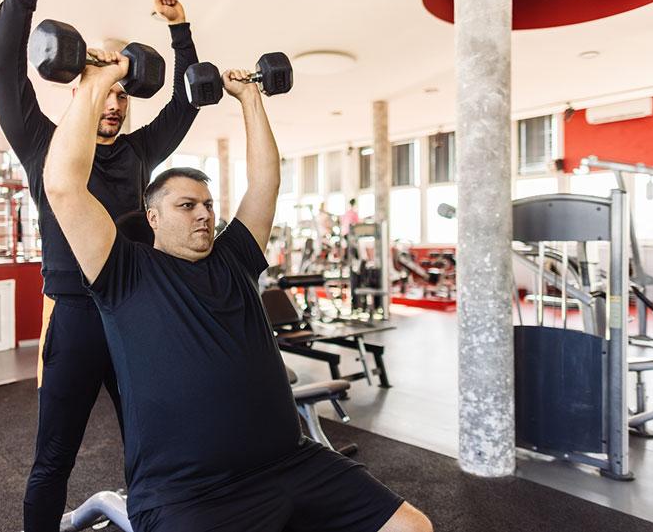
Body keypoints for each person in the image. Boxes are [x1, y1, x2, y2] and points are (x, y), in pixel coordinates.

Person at [43, 52, 433, 532]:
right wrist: (98, 82)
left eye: (208, 204)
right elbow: (63, 186)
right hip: (187, 492)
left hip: (293, 463)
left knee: (413, 527)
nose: (204, 214)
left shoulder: (234, 258)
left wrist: (251, 98)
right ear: (154, 217)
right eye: (187, 206)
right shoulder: (122, 271)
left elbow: (266, 180)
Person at [0, 0, 199, 529]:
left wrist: (180, 28)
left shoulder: (139, 152)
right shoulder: (41, 144)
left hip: (133, 316)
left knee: (153, 449)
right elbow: (1, 64)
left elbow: (189, 101)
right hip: (76, 320)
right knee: (54, 458)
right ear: (81, 84)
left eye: (125, 94)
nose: (115, 103)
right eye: (105, 89)